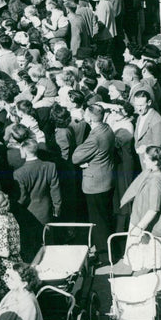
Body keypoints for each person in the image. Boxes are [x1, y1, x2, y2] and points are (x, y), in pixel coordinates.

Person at [119, 145, 161, 297]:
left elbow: (153, 209)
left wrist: (139, 227)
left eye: (147, 159)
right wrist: (145, 151)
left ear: (155, 162)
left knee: (160, 259)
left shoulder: (154, 181)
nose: (144, 161)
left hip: (157, 226)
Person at [71, 103, 115, 257]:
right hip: (106, 177)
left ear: (89, 117)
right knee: (105, 216)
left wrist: (83, 152)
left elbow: (75, 157)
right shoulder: (107, 128)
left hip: (95, 183)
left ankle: (104, 253)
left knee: (98, 220)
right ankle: (109, 248)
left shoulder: (94, 138)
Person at [132, 89, 161, 171]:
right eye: (136, 105)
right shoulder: (140, 116)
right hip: (144, 161)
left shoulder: (157, 121)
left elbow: (160, 148)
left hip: (153, 164)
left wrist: (146, 147)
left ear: (149, 103)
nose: (139, 109)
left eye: (141, 105)